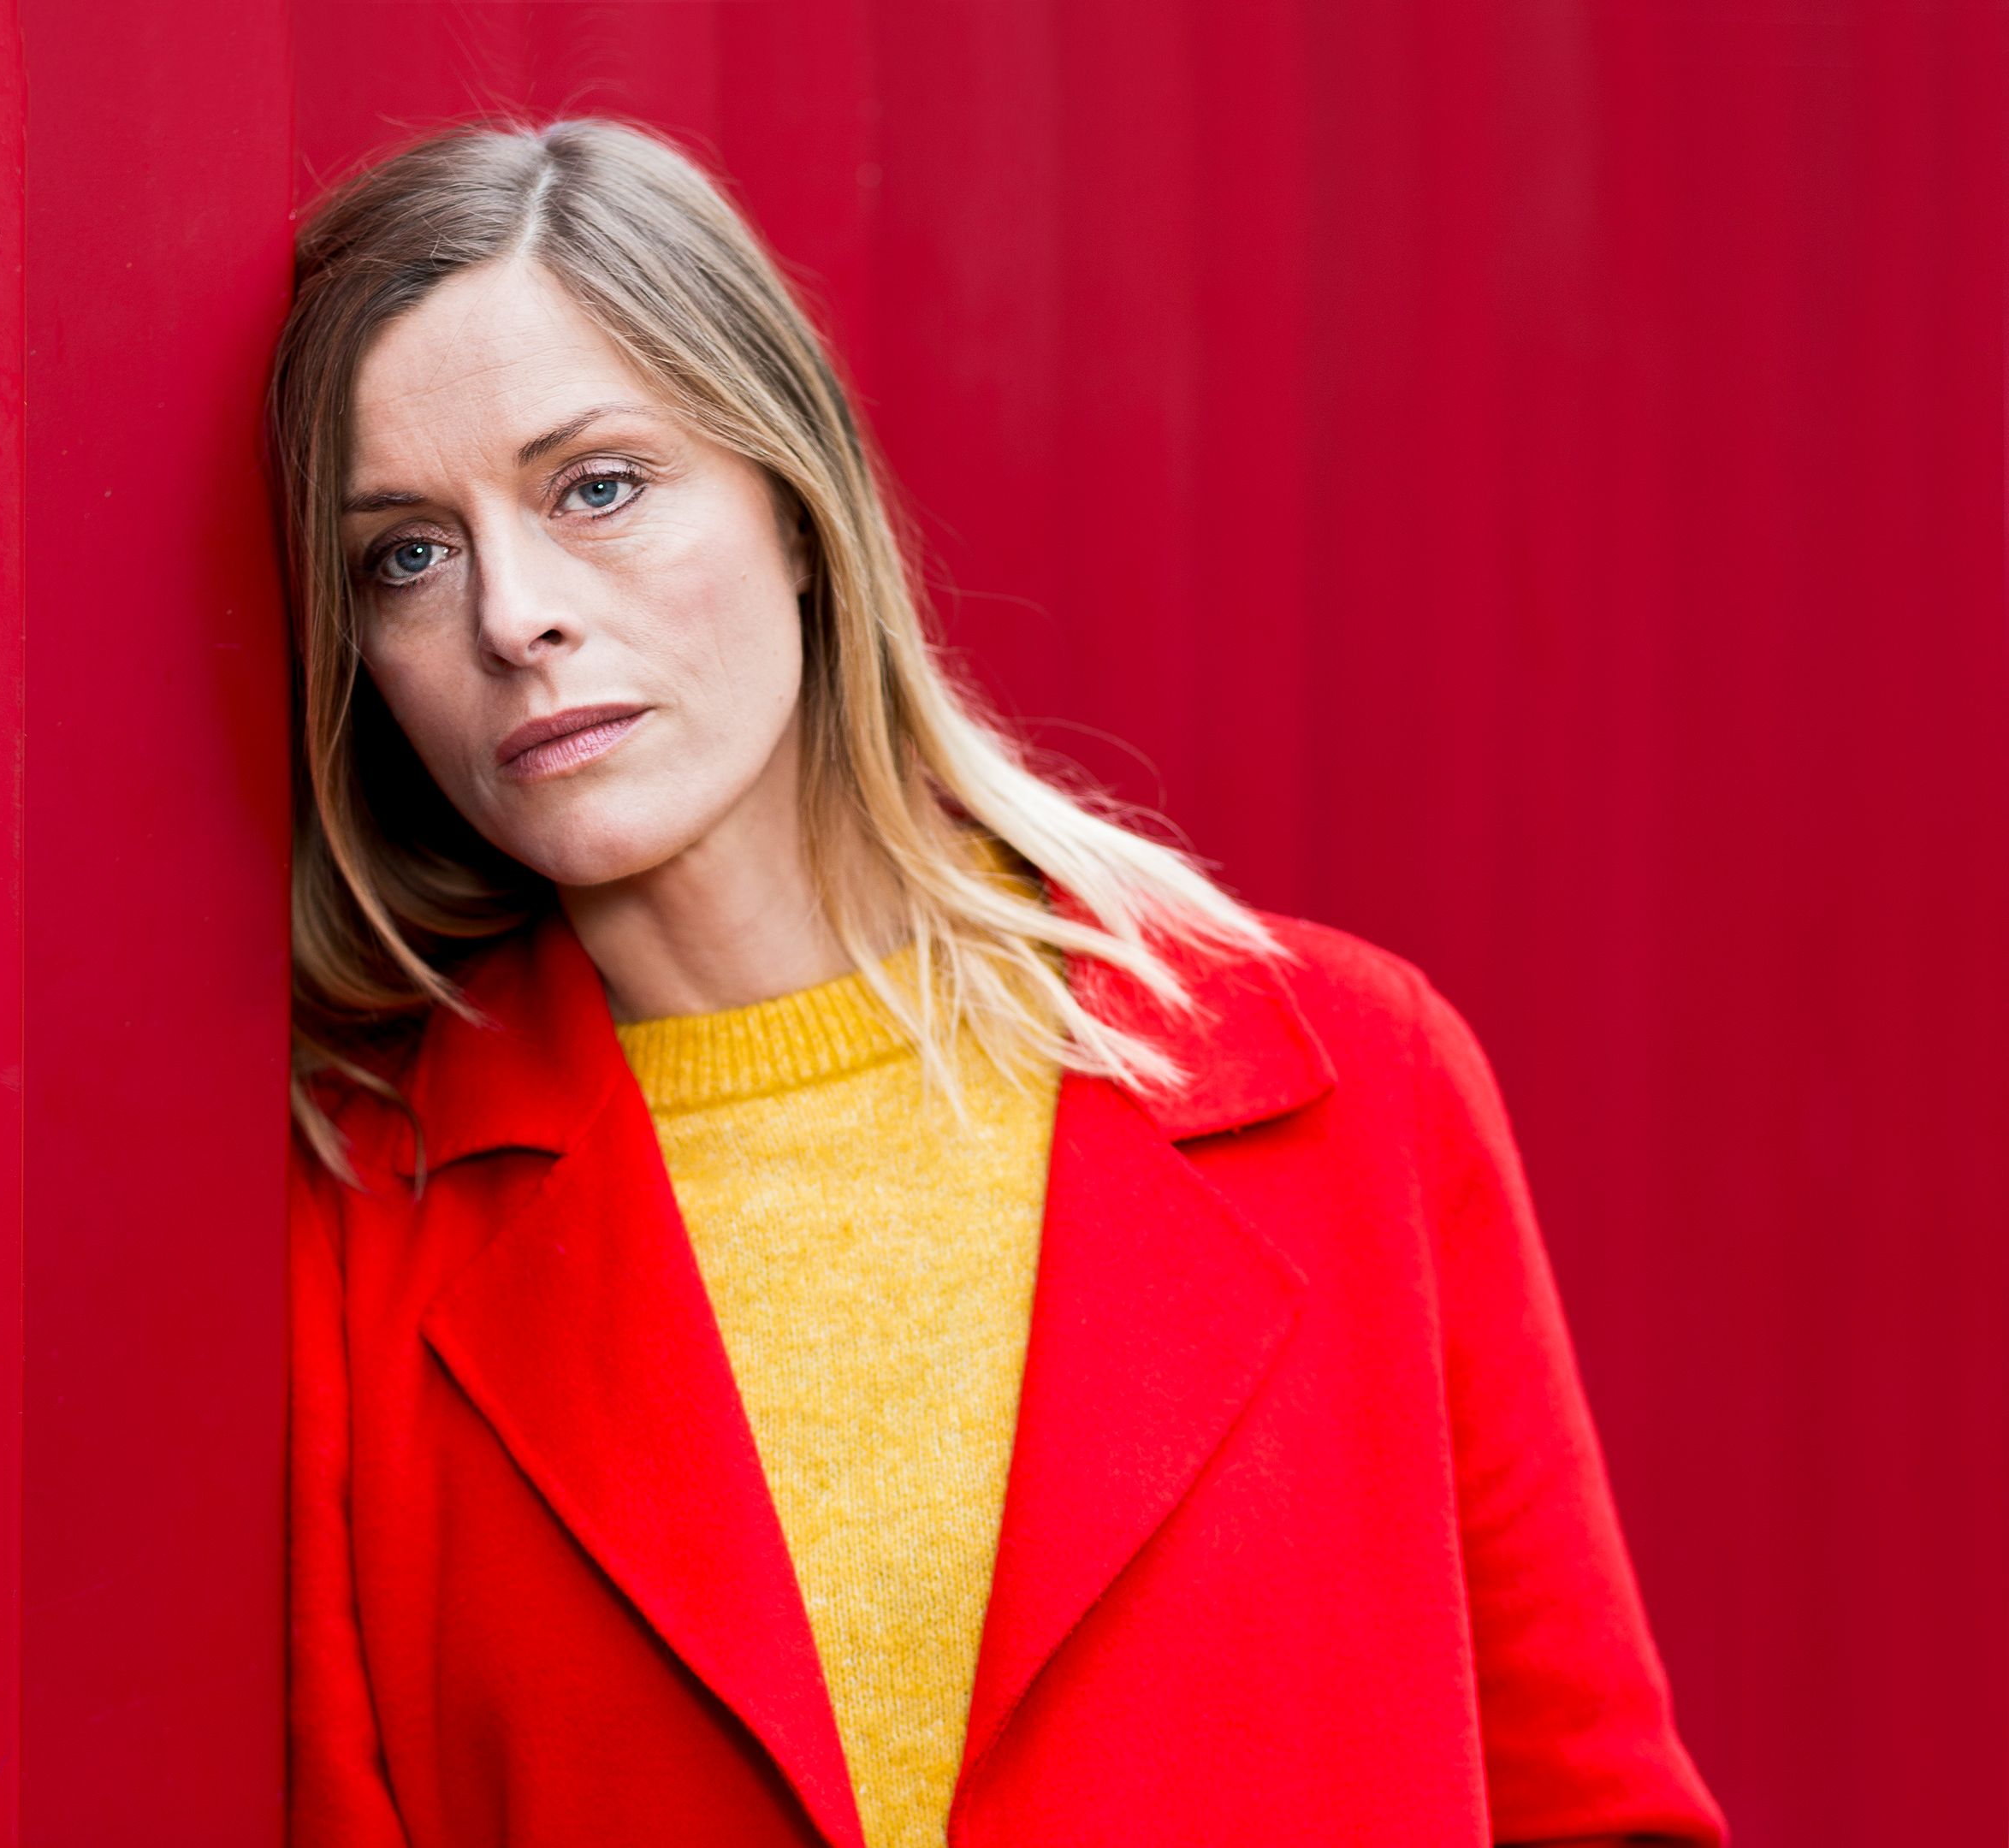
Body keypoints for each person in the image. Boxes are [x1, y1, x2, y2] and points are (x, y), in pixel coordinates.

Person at [270, 117, 1724, 1848]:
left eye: (599, 486)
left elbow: (1588, 1810)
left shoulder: (1356, 1082)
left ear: (797, 504)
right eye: (408, 554)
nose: (514, 616)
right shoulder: (361, 1219)